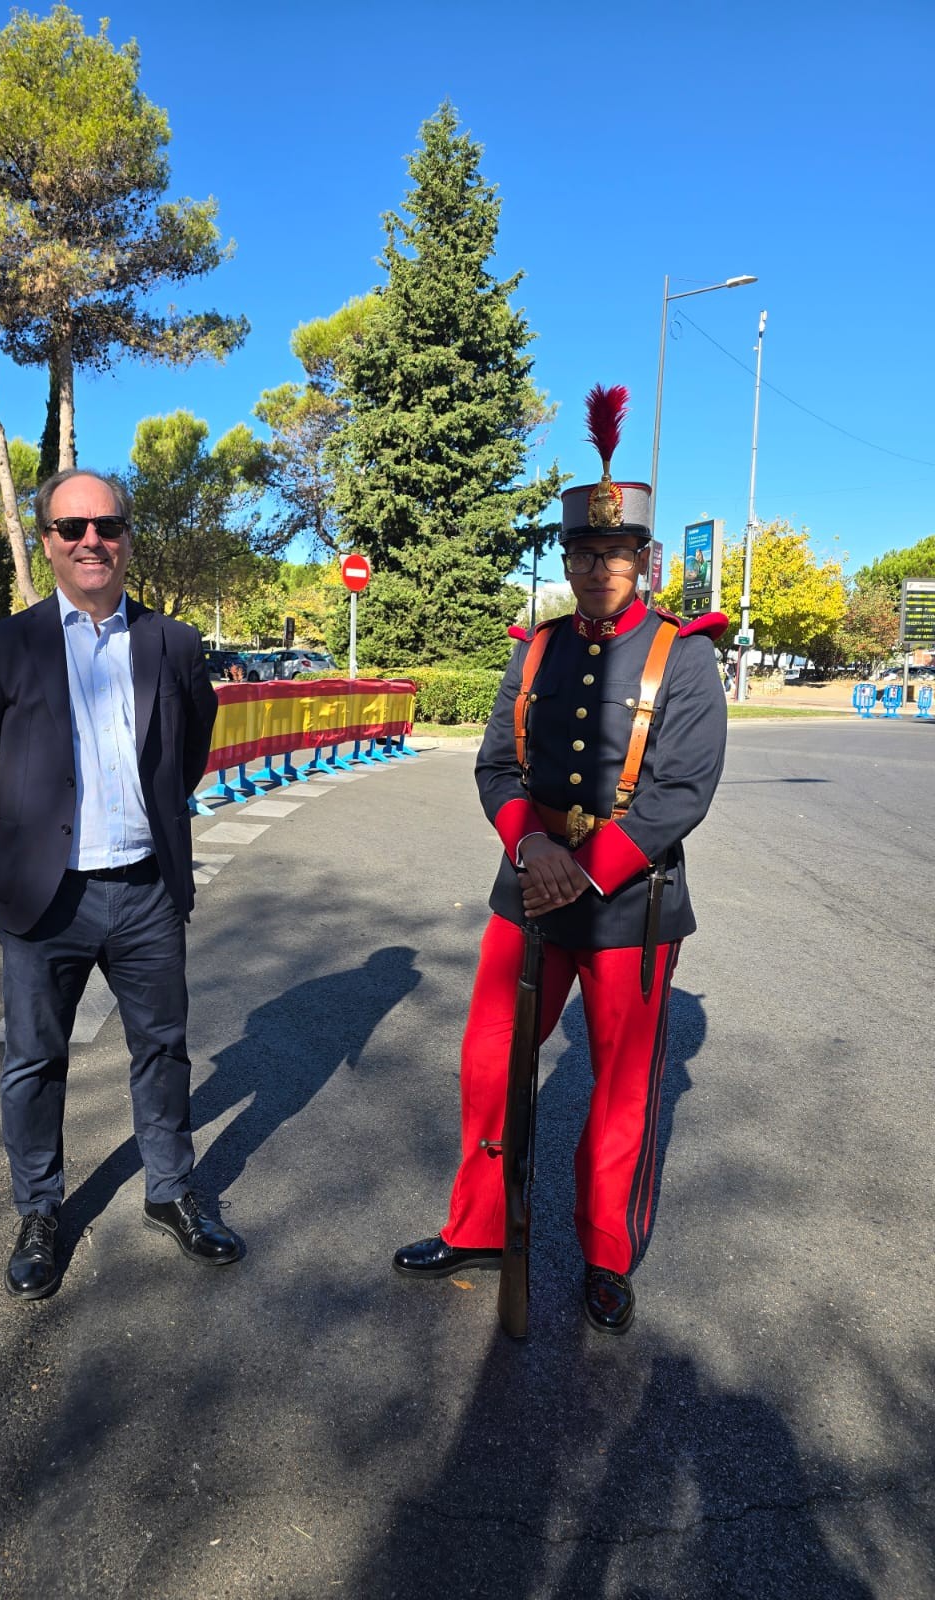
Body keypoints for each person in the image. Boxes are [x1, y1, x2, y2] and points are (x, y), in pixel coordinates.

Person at [393, 385, 728, 1334]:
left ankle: (606, 1254)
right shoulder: (535, 650)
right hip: (527, 888)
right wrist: (530, 844)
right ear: (569, 558)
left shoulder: (685, 658)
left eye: (614, 554)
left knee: (622, 1083)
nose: (596, 569)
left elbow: (680, 792)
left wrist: (582, 867)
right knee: (490, 1061)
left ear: (644, 560)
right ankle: (479, 1224)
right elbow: (499, 764)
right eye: (582, 553)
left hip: (630, 903)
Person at [0, 468, 242, 1301]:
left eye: (106, 525)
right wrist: (32, 829)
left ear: (125, 537)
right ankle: (40, 1211)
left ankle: (171, 1191)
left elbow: (186, 753)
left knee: (162, 1048)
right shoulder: (6, 645)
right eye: (71, 526)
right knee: (35, 1061)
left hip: (146, 890)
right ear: (46, 540)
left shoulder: (174, 644)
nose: (91, 540)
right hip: (48, 897)